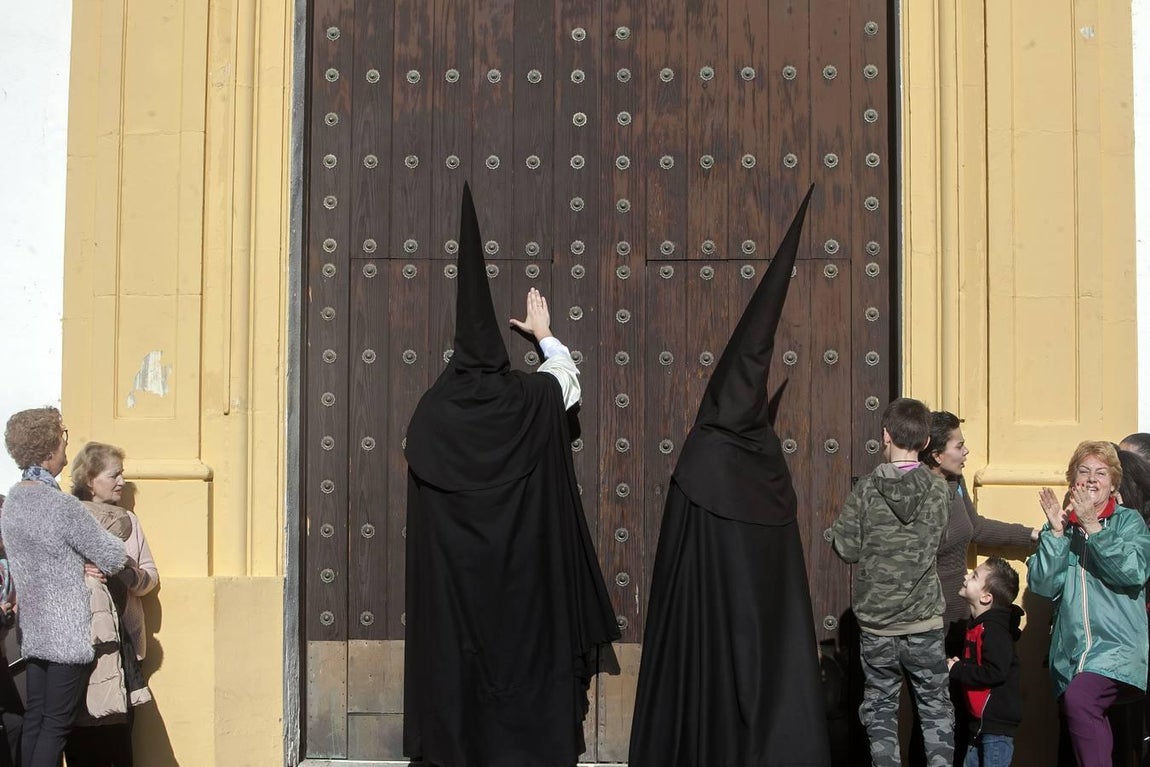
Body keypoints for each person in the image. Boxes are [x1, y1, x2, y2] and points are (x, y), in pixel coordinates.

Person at [403, 185, 620, 767]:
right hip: (524, 585)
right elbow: (567, 381)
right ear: (500, 352)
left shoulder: (433, 414)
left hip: (455, 592)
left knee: (461, 657)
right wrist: (544, 334)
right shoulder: (526, 400)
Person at [628, 188, 831, 766]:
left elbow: (678, 571)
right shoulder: (767, 465)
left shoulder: (701, 458)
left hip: (705, 648)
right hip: (763, 651)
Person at [830, 396, 954, 767]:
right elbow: (941, 540)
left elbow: (847, 548)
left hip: (877, 623)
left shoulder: (866, 490)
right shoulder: (939, 490)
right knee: (934, 707)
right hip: (924, 621)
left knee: (881, 707)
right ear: (927, 442)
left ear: (886, 435)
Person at [1, 407, 127, 767]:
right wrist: (86, 556)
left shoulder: (14, 502)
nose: (64, 447)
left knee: (36, 722)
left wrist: (74, 557)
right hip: (66, 634)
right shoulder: (61, 505)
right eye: (62, 438)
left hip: (35, 632)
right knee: (56, 727)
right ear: (48, 448)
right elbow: (113, 556)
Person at [914, 412, 1038, 766]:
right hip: (929, 624)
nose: (967, 451)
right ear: (937, 453)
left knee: (961, 725)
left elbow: (976, 528)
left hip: (963, 624)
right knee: (931, 726)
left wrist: (1032, 536)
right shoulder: (916, 491)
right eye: (960, 444)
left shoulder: (956, 483)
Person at [1028, 440, 1150, 767]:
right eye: (1084, 472)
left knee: (1082, 702)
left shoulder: (1128, 522)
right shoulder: (1063, 528)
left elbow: (1134, 572)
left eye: (1101, 472)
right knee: (1078, 726)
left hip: (1117, 648)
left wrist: (1095, 529)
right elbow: (1043, 585)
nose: (1093, 479)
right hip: (1072, 655)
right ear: (1073, 481)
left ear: (1114, 484)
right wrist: (1055, 534)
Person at [947, 557, 1023, 767]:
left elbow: (995, 672)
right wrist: (960, 665)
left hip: (995, 727)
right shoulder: (978, 627)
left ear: (986, 597)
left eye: (974, 577)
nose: (965, 576)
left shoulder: (994, 630)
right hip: (980, 724)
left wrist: (958, 669)